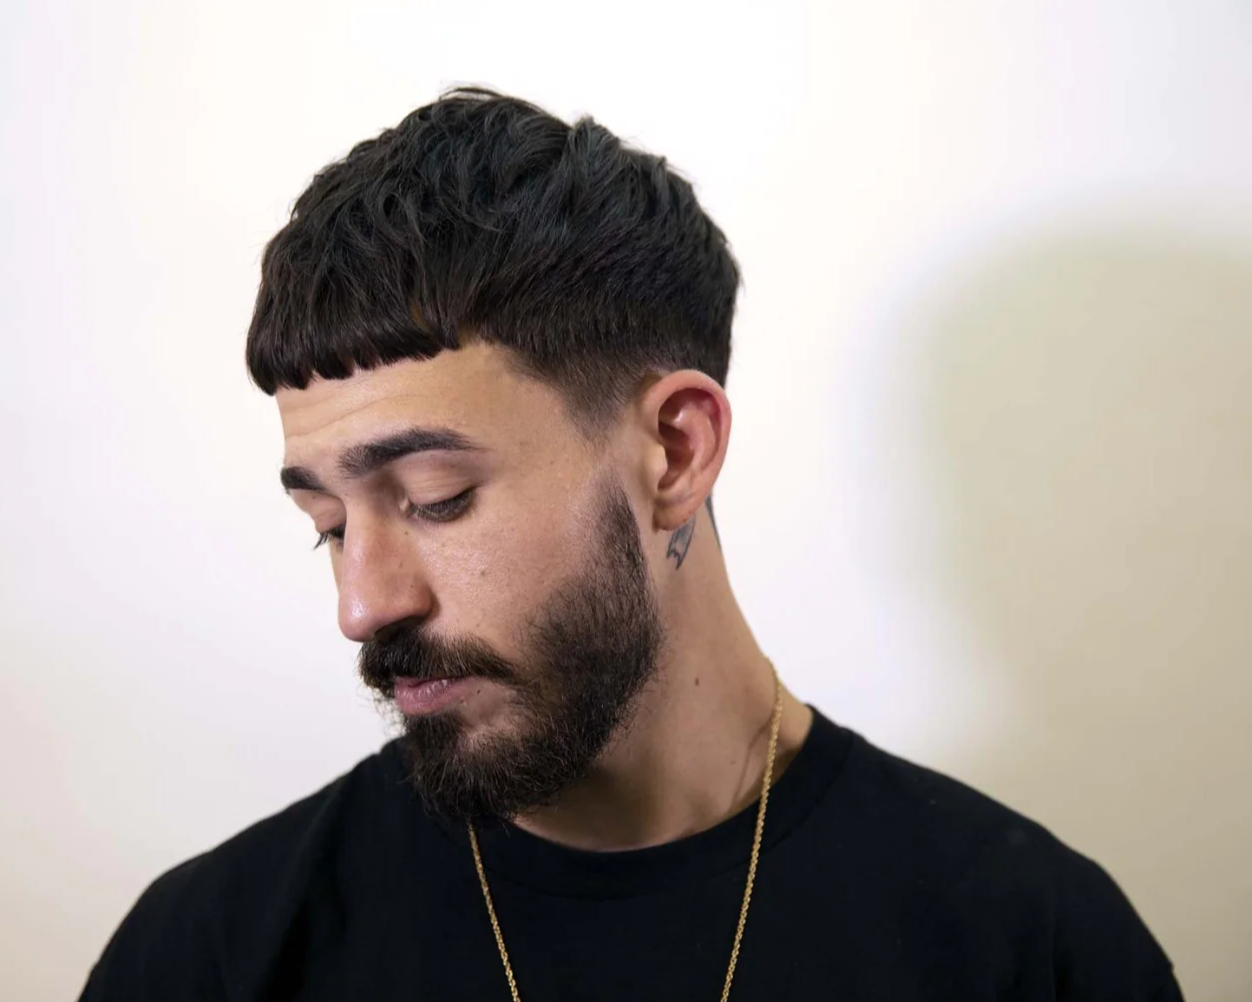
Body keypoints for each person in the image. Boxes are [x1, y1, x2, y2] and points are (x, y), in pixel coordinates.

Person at [78, 87, 1184, 1001]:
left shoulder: (1029, 945)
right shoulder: (211, 957)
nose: (362, 608)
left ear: (673, 451)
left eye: (435, 497)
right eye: (325, 525)